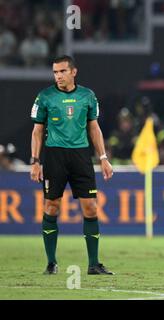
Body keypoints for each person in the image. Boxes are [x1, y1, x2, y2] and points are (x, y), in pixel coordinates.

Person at [30, 55, 114, 275]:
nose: (58, 76)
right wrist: (35, 161)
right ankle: (51, 262)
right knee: (51, 207)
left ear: (73, 72)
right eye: (55, 72)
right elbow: (37, 131)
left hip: (81, 156)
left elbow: (94, 128)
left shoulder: (87, 96)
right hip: (54, 156)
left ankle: (94, 264)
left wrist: (103, 157)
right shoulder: (45, 97)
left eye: (62, 71)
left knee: (91, 207)